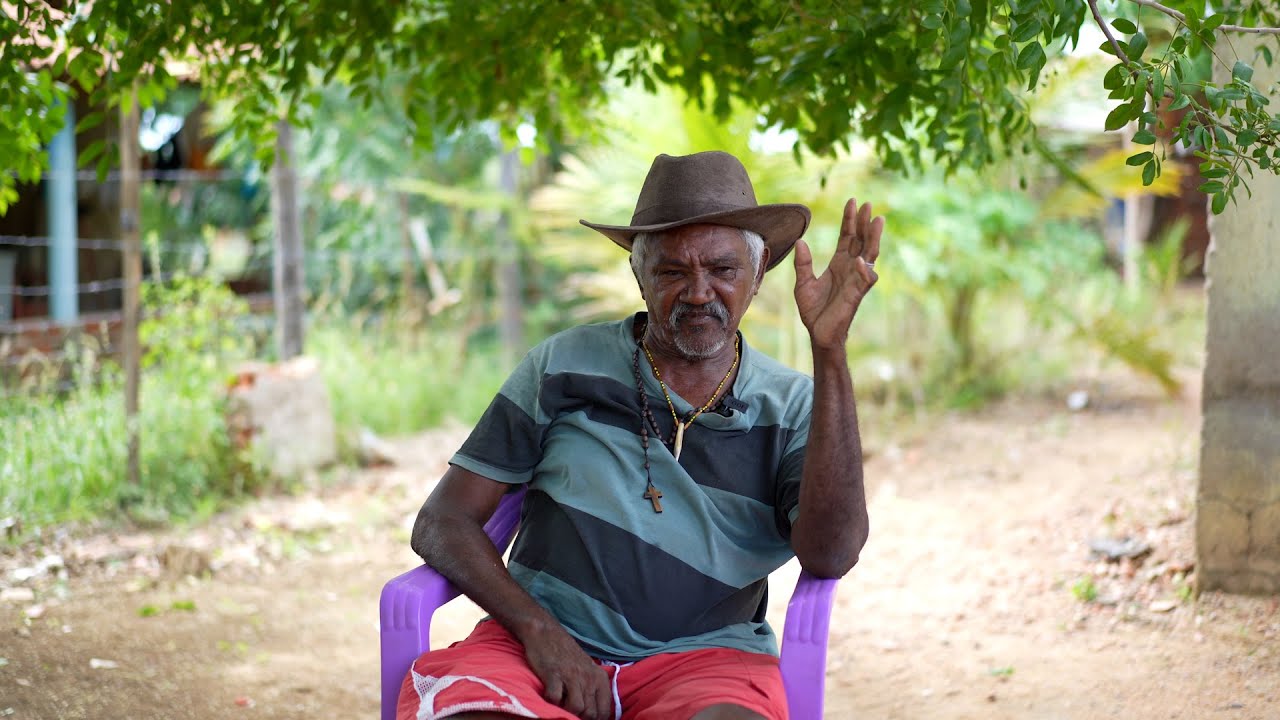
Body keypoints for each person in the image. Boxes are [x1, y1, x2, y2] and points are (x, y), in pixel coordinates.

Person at [401, 150, 882, 720]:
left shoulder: (797, 405)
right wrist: (541, 632)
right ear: (639, 275)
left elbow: (830, 556)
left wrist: (830, 352)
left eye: (723, 270)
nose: (699, 292)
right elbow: (442, 521)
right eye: (673, 271)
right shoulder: (564, 364)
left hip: (709, 663)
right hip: (539, 647)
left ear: (756, 277)